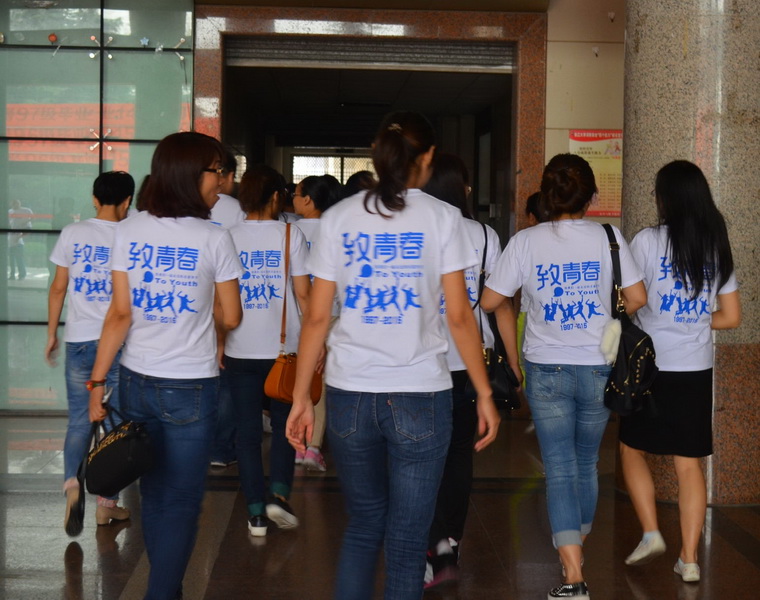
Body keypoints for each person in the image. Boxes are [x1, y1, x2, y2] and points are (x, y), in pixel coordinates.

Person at [285, 111, 500, 600]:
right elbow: (460, 317)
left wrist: (301, 397)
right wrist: (484, 392)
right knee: (406, 539)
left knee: (364, 525)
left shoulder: (339, 218)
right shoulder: (443, 218)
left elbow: (316, 318)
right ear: (428, 157)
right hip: (421, 393)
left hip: (350, 394)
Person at [481, 153, 647, 600]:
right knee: (586, 463)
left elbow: (490, 300)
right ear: (591, 196)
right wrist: (606, 321)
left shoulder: (526, 241)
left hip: (545, 367)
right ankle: (576, 549)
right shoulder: (609, 237)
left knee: (558, 468)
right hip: (598, 365)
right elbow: (637, 297)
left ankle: (573, 574)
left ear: (547, 194)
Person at [87, 132, 242, 600]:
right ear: (191, 175)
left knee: (154, 493)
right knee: (180, 502)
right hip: (190, 387)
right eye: (217, 172)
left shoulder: (129, 231)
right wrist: (204, 310)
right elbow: (233, 316)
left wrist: (97, 382)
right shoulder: (214, 238)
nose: (222, 182)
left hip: (135, 381)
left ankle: (166, 589)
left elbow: (119, 314)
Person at [619, 160, 741, 583]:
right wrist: (695, 322)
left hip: (650, 366)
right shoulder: (715, 243)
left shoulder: (647, 241)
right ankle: (689, 559)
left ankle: (652, 532)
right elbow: (731, 317)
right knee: (689, 465)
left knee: (631, 448)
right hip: (695, 369)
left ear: (665, 198)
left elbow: (632, 299)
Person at [421, 152, 520, 588]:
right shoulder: (483, 234)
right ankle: (451, 541)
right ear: (461, 189)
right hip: (469, 362)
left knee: (421, 456)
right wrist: (512, 361)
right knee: (459, 455)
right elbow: (500, 305)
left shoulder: (417, 229)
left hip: (423, 360)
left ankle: (434, 546)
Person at [222, 164, 311, 537]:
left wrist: (217, 344)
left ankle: (256, 513)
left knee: (246, 433)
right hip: (284, 351)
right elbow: (304, 296)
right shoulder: (291, 234)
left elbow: (217, 299)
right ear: (276, 197)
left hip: (239, 348)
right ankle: (279, 494)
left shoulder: (226, 236)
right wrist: (316, 343)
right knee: (286, 425)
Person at [45, 171, 135, 537]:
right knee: (115, 424)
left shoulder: (73, 233)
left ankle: (71, 482)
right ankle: (106, 505)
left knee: (80, 421)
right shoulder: (131, 236)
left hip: (79, 340)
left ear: (95, 200)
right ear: (128, 201)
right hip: (118, 343)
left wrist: (52, 333)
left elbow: (58, 288)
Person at [292, 174, 343, 472]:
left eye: (297, 194)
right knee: (321, 383)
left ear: (309, 199)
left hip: (298, 315)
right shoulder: (337, 229)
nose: (293, 199)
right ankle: (312, 447)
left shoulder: (291, 231)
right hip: (333, 313)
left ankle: (297, 442)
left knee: (296, 379)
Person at [209, 149, 245, 469]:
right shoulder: (235, 210)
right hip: (222, 303)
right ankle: (220, 448)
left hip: (188, 307)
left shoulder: (176, 210)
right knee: (223, 379)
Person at [8, 199, 33, 280]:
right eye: (14, 204)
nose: (15, 205)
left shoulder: (25, 211)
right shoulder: (10, 212)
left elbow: (31, 218)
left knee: (19, 259)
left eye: (17, 204)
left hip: (18, 242)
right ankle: (12, 275)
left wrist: (25, 222)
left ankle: (22, 274)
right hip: (11, 240)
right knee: (12, 260)